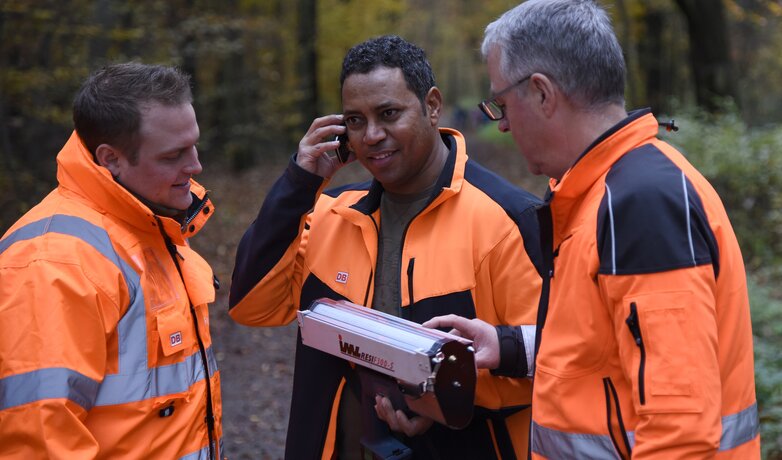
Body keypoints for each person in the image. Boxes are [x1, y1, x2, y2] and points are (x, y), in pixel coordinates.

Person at [428, 0, 761, 458]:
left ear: (543, 93)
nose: (501, 125)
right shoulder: (600, 193)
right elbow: (610, 346)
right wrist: (508, 347)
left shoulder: (640, 204)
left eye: (501, 104)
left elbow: (679, 432)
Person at [229, 35, 542, 459]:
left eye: (389, 114)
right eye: (355, 121)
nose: (372, 135)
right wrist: (298, 184)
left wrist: (446, 402)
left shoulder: (507, 220)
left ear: (432, 106)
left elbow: (548, 363)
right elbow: (252, 305)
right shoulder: (330, 212)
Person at [0, 63, 223, 459]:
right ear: (111, 159)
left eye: (194, 145)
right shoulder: (54, 263)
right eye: (173, 155)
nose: (195, 166)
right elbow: (39, 441)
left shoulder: (153, 226)